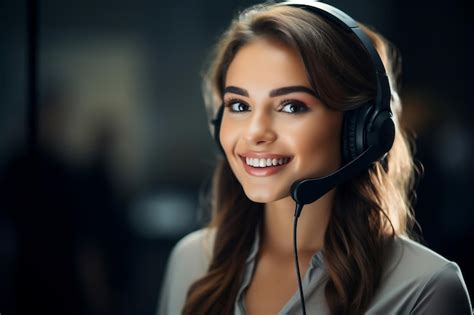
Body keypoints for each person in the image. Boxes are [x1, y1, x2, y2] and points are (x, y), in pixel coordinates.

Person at [157, 1, 472, 314]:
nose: (254, 133)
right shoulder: (192, 260)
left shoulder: (424, 288)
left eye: (292, 106)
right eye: (239, 105)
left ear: (359, 129)